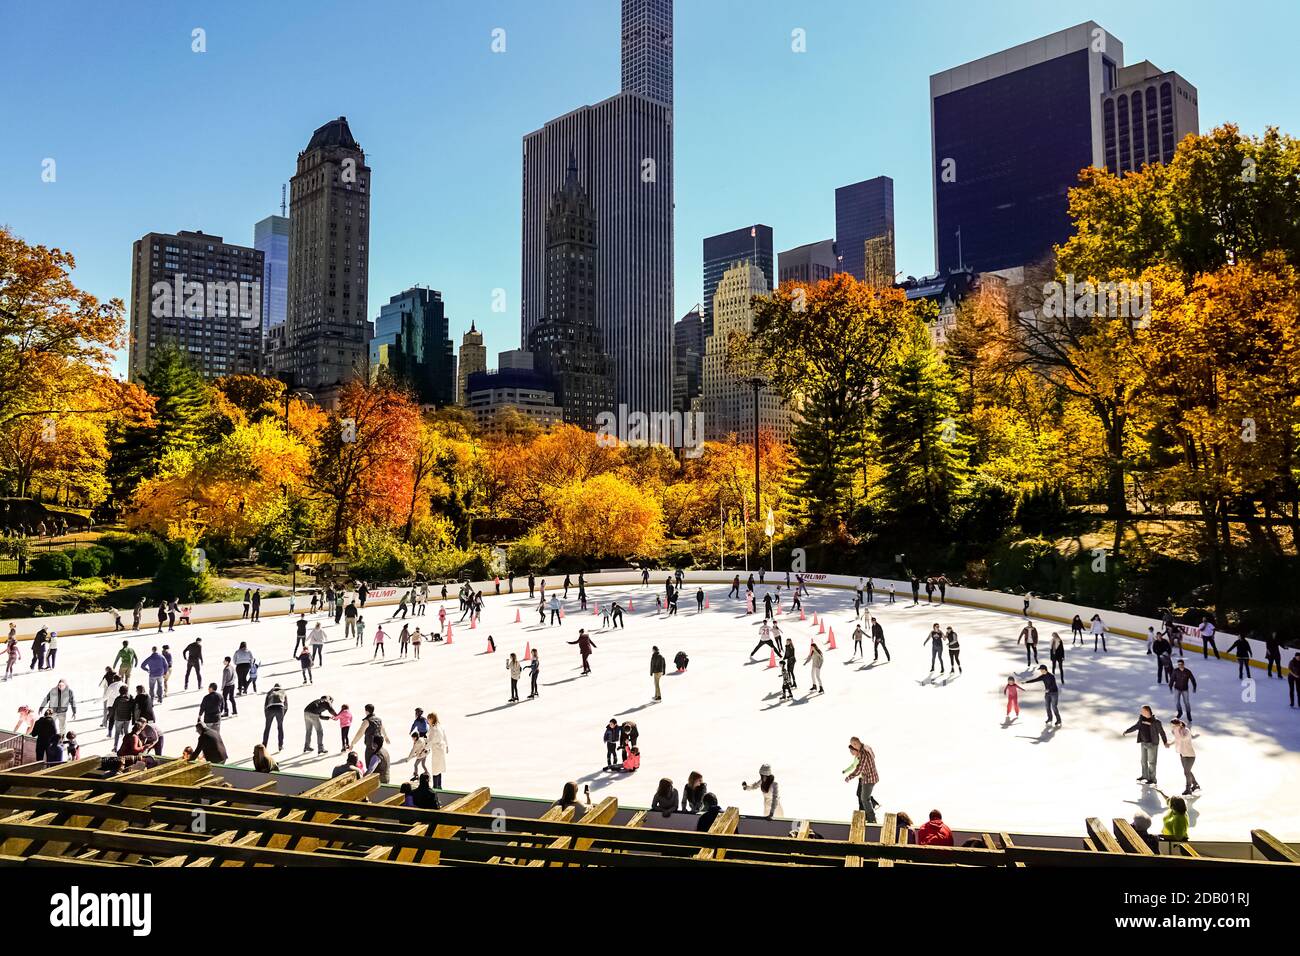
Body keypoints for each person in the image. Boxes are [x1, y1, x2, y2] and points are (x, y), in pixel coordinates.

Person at [1123, 705, 1168, 785]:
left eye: (1142, 711)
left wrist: (1165, 742)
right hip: (1143, 742)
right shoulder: (1141, 719)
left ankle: (1152, 779)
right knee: (1143, 761)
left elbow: (1162, 732)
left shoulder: (1156, 722)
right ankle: (1145, 776)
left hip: (1152, 744)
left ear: (1147, 711)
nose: (1141, 712)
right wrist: (1127, 731)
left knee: (1152, 762)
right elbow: (1136, 726)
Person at [844, 737, 879, 823]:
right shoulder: (864, 749)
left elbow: (859, 768)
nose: (853, 748)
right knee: (863, 796)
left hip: (869, 778)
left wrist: (849, 777)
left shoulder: (863, 753)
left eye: (853, 745)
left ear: (855, 744)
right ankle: (869, 815)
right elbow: (873, 756)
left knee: (864, 798)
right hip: (867, 778)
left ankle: (872, 819)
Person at [1167, 717, 1200, 796]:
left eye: (1174, 726)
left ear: (1179, 724)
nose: (1173, 728)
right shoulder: (1176, 731)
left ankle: (1188, 789)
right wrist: (1169, 744)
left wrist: (1178, 731)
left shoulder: (1186, 731)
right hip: (1182, 754)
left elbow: (1183, 738)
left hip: (1190, 755)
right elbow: (1176, 739)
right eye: (1172, 726)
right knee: (1187, 771)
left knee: (1186, 772)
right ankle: (1195, 784)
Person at [262, 683, 288, 751]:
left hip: (270, 709)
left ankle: (264, 746)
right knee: (280, 727)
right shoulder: (283, 692)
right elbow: (286, 706)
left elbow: (265, 705)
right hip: (280, 709)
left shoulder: (269, 692)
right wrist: (282, 715)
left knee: (267, 728)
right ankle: (280, 745)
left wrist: (267, 716)